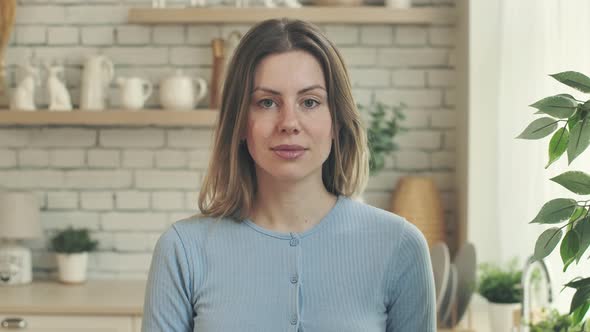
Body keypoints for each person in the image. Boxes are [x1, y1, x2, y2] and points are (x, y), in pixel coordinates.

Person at [141, 18, 436, 332]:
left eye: (310, 102)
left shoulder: (399, 246)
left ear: (336, 121)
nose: (289, 122)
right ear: (240, 122)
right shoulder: (183, 250)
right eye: (267, 102)